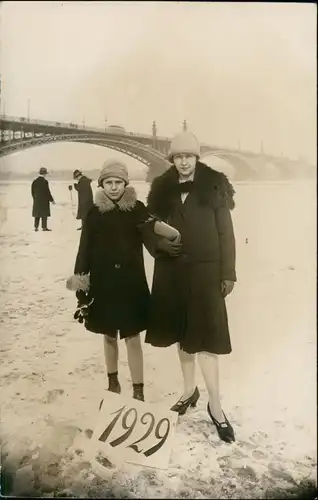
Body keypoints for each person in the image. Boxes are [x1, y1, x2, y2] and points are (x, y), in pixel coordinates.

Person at [145, 131, 237, 443]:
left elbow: (226, 233)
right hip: (172, 272)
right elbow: (147, 227)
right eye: (178, 157)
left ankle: (216, 405)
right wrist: (159, 246)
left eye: (189, 156)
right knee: (182, 337)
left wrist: (229, 273)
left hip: (206, 274)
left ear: (197, 158)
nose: (183, 162)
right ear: (172, 159)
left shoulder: (214, 185)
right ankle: (188, 391)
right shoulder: (161, 188)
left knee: (208, 342)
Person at [66, 159, 157, 403]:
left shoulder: (137, 209)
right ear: (102, 184)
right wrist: (81, 291)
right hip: (103, 285)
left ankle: (138, 390)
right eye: (109, 182)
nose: (114, 187)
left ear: (125, 183)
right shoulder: (94, 214)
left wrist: (168, 247)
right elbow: (83, 251)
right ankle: (113, 383)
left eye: (118, 182)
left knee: (132, 336)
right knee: (108, 335)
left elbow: (153, 239)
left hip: (131, 285)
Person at [31, 166, 55, 231]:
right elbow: (47, 192)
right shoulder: (45, 182)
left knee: (37, 214)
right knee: (44, 215)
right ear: (44, 174)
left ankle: (36, 227)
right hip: (44, 201)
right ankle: (44, 227)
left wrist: (35, 198)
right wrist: (51, 200)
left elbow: (32, 192)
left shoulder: (34, 181)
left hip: (37, 201)